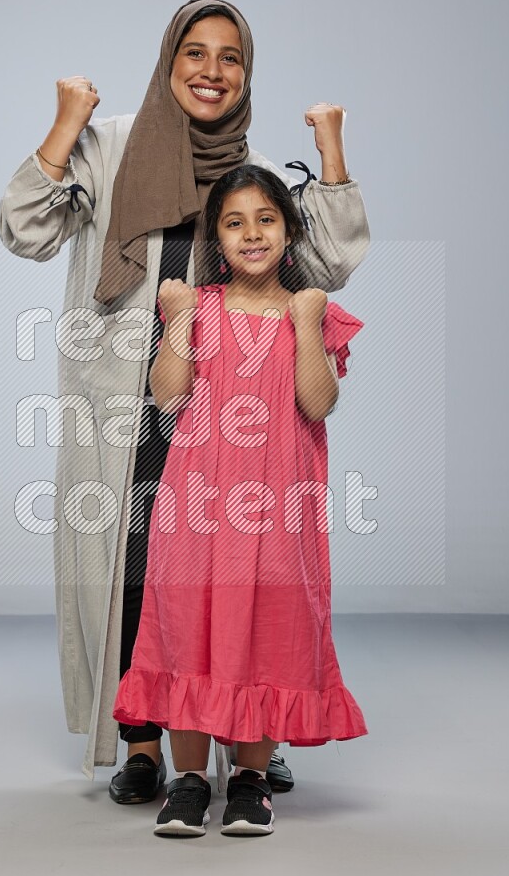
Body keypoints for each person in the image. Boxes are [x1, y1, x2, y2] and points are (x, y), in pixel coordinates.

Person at [0, 0, 370, 793]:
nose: (211, 71)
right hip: (122, 400)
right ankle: (140, 745)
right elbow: (26, 229)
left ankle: (246, 737)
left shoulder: (249, 171)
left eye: (229, 57)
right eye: (194, 53)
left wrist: (331, 158)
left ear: (246, 74)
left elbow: (329, 265)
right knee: (130, 568)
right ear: (169, 62)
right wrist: (65, 123)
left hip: (227, 415)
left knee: (231, 574)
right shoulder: (109, 148)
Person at [112, 164, 367, 836]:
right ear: (215, 240)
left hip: (280, 511)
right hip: (198, 505)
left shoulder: (313, 310)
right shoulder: (202, 307)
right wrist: (177, 319)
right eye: (234, 223)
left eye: (265, 219)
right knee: (189, 625)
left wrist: (308, 324)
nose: (251, 234)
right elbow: (168, 394)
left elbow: (318, 402)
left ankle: (252, 778)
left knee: (269, 627)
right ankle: (190, 779)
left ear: (289, 230)